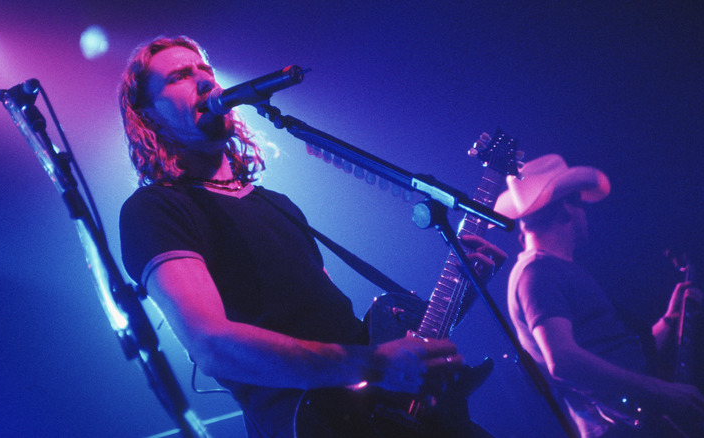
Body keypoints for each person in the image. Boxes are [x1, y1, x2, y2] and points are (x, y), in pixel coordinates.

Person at [117, 35, 507, 437]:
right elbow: (211, 345)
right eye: (180, 76)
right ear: (148, 116)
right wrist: (377, 365)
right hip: (313, 421)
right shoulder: (155, 209)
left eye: (206, 70)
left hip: (380, 412)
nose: (204, 82)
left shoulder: (277, 203)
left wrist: (463, 288)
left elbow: (335, 324)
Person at [494, 154, 704, 437]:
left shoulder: (558, 269)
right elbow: (563, 361)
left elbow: (621, 361)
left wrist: (670, 319)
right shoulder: (538, 272)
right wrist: (662, 390)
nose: (586, 214)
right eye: (581, 205)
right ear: (567, 209)